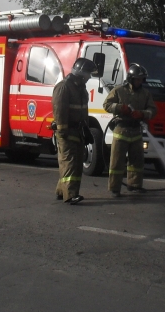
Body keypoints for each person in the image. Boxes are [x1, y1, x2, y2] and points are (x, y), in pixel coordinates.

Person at [103, 63, 157, 197]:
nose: (140, 81)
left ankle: (135, 185)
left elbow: (153, 110)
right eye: (137, 79)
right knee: (117, 162)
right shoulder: (119, 90)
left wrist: (142, 113)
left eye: (141, 79)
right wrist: (120, 108)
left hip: (136, 131)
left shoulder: (145, 94)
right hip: (121, 130)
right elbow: (107, 105)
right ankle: (114, 188)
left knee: (137, 162)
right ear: (131, 78)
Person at [51, 57, 96, 205]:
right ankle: (70, 194)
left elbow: (84, 111)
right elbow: (60, 111)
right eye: (88, 73)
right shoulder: (64, 87)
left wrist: (86, 130)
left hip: (78, 130)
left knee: (75, 163)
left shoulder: (81, 88)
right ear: (81, 73)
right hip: (67, 131)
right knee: (69, 162)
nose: (89, 77)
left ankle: (61, 191)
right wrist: (62, 132)